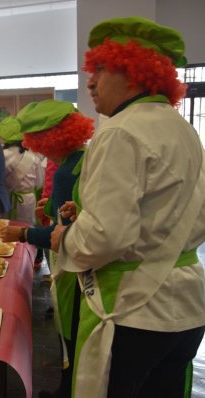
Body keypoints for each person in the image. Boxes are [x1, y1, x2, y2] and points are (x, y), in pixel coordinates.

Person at [50, 17, 205, 398]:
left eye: (100, 69)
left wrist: (64, 236)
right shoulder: (181, 127)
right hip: (186, 302)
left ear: (135, 74)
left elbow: (103, 238)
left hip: (132, 308)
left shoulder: (120, 130)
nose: (90, 81)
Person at [0, 99, 94, 398]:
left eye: (39, 143)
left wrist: (22, 233)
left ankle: (67, 390)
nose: (39, 151)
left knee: (69, 330)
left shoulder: (67, 170)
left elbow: (60, 232)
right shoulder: (84, 158)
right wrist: (51, 207)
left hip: (72, 263)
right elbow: (72, 211)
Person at [0, 116, 44, 225]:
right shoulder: (34, 158)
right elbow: (39, 184)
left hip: (5, 200)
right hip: (27, 202)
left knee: (5, 229)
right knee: (26, 231)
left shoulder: (0, 156)